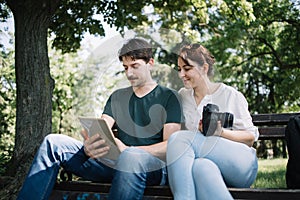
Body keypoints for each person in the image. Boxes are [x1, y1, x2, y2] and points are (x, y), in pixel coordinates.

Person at [17, 38, 182, 200]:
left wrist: (129, 151)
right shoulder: (118, 97)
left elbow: (170, 145)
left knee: (130, 157)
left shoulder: (168, 97)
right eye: (125, 67)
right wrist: (91, 144)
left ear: (150, 63)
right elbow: (102, 128)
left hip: (150, 168)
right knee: (53, 143)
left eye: (135, 66)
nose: (129, 73)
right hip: (113, 164)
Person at [166, 43, 259, 200]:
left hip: (241, 165)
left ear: (204, 68)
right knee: (200, 168)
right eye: (179, 69)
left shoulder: (230, 95)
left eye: (187, 69)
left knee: (179, 139)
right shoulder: (182, 96)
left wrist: (220, 132)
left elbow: (250, 138)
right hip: (206, 161)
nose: (181, 74)